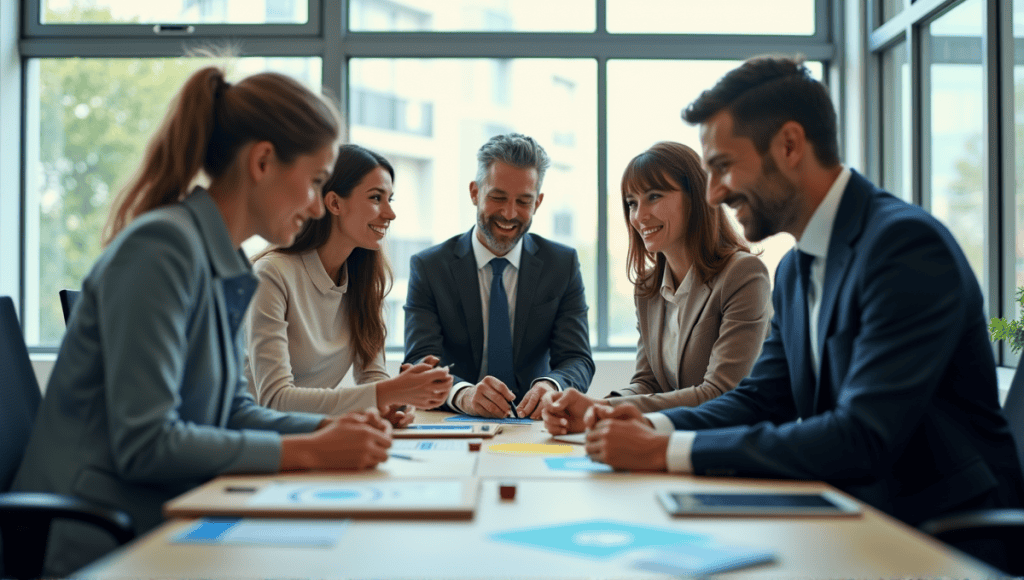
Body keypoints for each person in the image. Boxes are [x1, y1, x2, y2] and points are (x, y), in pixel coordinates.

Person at [554, 56, 1024, 529]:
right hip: (847, 515)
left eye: (723, 167)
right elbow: (759, 400)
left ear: (790, 145)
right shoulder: (797, 269)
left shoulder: (903, 247)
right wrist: (641, 425)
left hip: (940, 531)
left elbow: (863, 436)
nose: (713, 194)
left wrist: (665, 449)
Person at [12, 67, 394, 575]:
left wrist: (330, 428)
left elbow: (232, 410)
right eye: (316, 181)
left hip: (168, 512)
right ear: (262, 161)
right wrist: (306, 452)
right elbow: (147, 443)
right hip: (98, 536)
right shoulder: (162, 250)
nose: (314, 205)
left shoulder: (223, 262)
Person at [541, 141, 771, 422]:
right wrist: (594, 407)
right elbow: (647, 384)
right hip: (669, 440)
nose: (639, 216)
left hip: (727, 448)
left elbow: (721, 393)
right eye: (632, 203)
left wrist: (598, 410)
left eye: (654, 196)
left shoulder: (743, 274)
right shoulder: (647, 288)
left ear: (696, 196)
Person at [245, 144, 452, 426]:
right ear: (334, 203)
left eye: (390, 199)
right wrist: (386, 392)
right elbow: (275, 399)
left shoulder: (365, 281)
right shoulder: (272, 274)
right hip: (257, 443)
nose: (390, 213)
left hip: (314, 436)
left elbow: (373, 376)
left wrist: (393, 403)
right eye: (376, 198)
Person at [404, 133, 594, 419]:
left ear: (538, 203)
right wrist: (464, 394)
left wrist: (551, 385)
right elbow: (420, 360)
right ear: (474, 193)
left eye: (523, 202)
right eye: (498, 197)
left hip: (534, 422)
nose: (509, 213)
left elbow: (577, 358)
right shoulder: (429, 267)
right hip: (456, 421)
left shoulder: (562, 264)